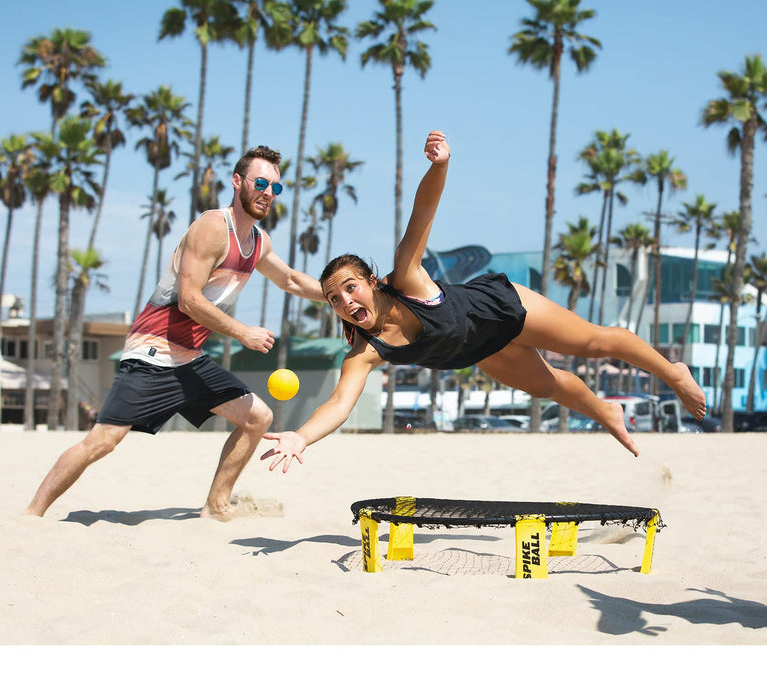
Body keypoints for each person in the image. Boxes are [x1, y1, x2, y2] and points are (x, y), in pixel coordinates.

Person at [261, 129, 706, 470]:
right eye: (335, 299)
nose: (344, 300)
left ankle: (672, 371)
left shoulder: (407, 277)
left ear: (373, 282)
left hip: (499, 307)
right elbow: (339, 404)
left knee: (593, 343)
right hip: (478, 349)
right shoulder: (363, 353)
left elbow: (423, 213)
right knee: (550, 386)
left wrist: (439, 167)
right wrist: (300, 437)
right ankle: (606, 412)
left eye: (350, 287)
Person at [24, 145, 328, 521]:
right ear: (238, 182)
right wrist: (243, 333)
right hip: (153, 351)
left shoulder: (259, 243)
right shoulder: (213, 227)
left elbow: (293, 280)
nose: (267, 192)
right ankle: (31, 514)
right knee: (102, 441)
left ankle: (216, 506)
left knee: (257, 417)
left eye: (275, 188)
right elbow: (188, 300)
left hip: (188, 359)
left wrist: (341, 294)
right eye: (261, 183)